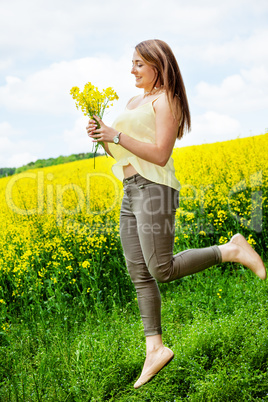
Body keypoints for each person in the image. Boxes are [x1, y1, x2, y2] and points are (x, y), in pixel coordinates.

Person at [86, 39, 267, 389]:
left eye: (139, 63)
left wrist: (116, 134)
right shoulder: (133, 101)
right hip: (130, 187)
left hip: (155, 188)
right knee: (139, 271)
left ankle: (231, 250)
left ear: (158, 64)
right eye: (132, 63)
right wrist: (103, 138)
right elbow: (121, 154)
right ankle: (154, 348)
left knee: (161, 268)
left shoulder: (167, 100)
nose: (132, 69)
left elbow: (159, 153)